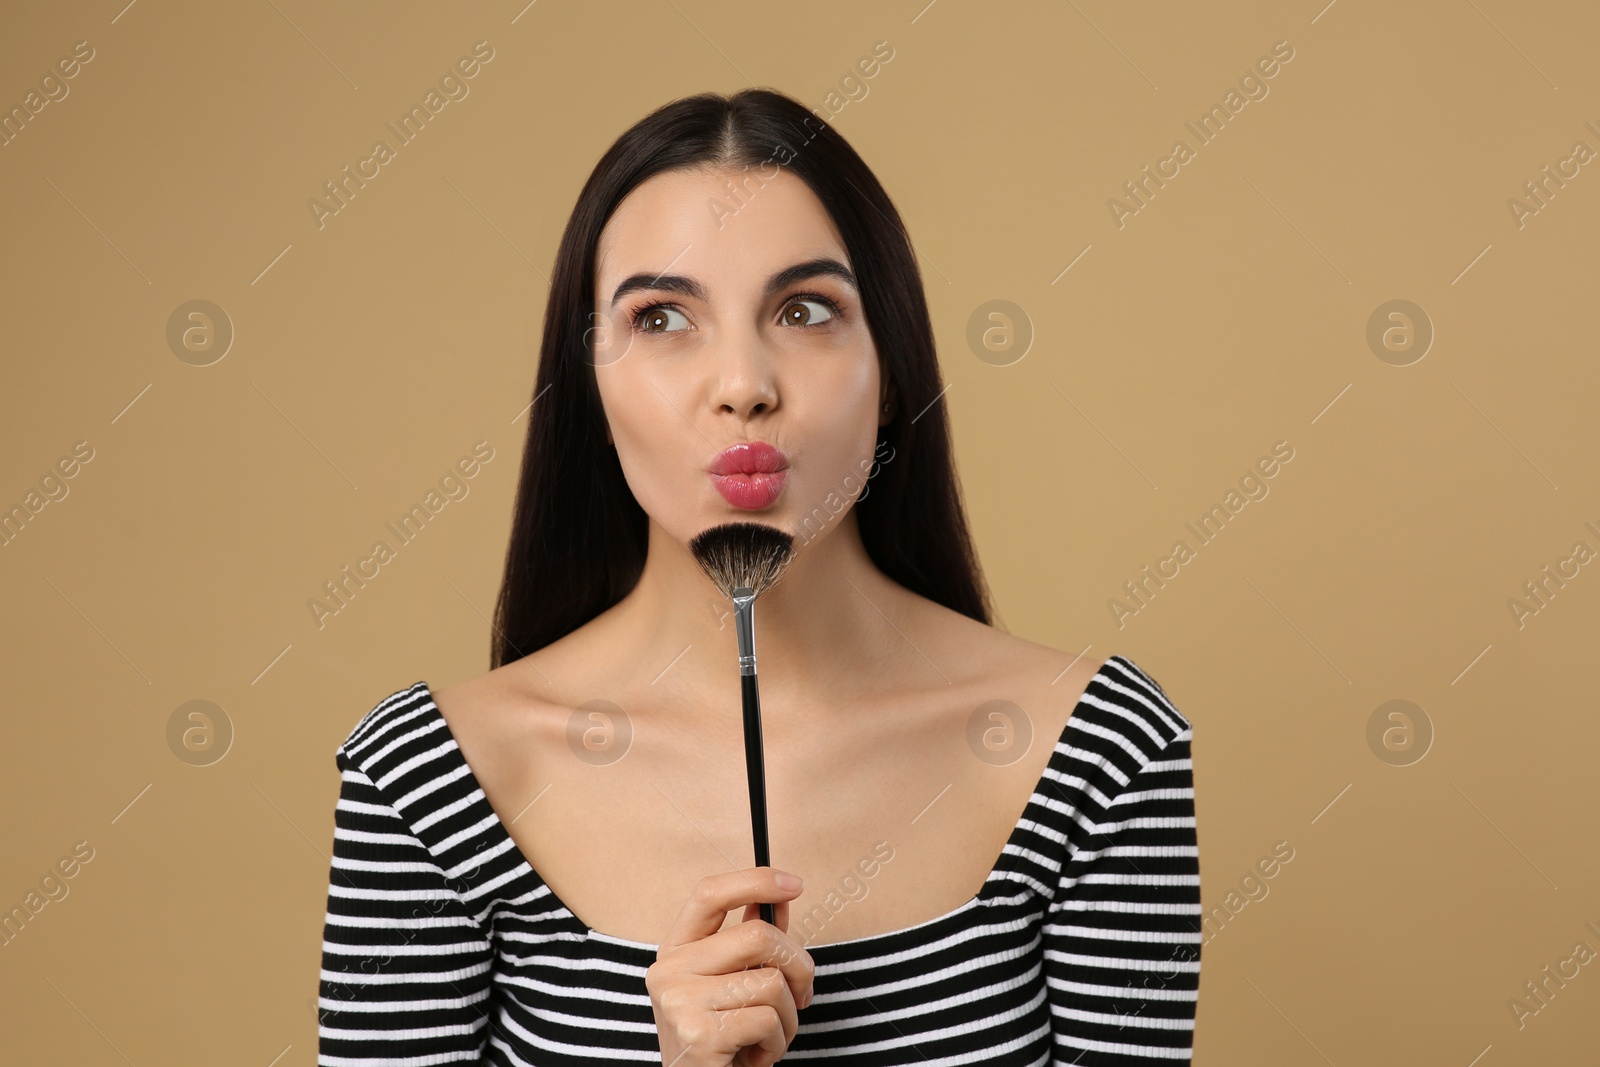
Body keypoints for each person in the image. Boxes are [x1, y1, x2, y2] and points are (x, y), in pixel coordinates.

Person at [316, 87, 1200, 1065]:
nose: (742, 382)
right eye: (661, 318)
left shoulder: (1098, 755)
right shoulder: (431, 782)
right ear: (590, 383)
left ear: (892, 367)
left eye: (806, 309)